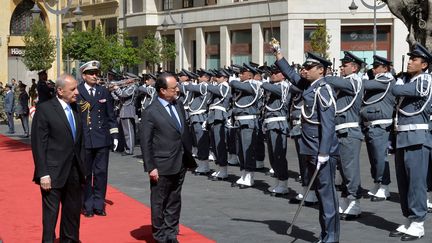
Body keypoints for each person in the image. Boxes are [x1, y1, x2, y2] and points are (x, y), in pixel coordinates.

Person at [275, 46, 340, 242]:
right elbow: (293, 76)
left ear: (321, 70)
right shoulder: (311, 87)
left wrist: (324, 152)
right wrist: (278, 55)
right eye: (305, 66)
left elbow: (328, 125)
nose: (305, 70)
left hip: (321, 150)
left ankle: (331, 238)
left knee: (327, 197)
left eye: (309, 67)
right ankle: (325, 234)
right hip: (311, 148)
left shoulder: (324, 90)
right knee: (321, 194)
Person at [140, 72, 196, 243]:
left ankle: (171, 233)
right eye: (173, 88)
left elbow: (183, 132)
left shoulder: (178, 105)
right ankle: (160, 235)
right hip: (161, 164)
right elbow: (145, 142)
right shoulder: (151, 111)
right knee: (159, 201)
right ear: (162, 90)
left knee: (174, 199)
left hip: (180, 162)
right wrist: (151, 167)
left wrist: (188, 155)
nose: (177, 90)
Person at [31, 74, 86, 243]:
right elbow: (38, 145)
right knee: (50, 217)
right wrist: (43, 174)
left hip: (74, 172)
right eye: (73, 89)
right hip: (52, 173)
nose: (77, 92)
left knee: (72, 213)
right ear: (60, 91)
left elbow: (79, 142)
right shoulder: (45, 109)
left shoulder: (76, 109)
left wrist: (83, 169)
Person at [389, 43, 432, 241]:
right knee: (404, 183)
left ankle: (418, 223)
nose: (410, 62)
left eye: (414, 59)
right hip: (403, 138)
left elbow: (396, 91)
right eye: (410, 58)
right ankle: (409, 219)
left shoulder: (425, 80)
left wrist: (396, 83)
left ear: (424, 65)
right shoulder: (409, 81)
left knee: (416, 183)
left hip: (417, 138)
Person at [76, 60, 119, 217]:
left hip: (102, 138)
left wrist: (114, 135)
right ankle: (87, 205)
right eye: (91, 73)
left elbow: (110, 115)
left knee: (101, 173)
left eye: (96, 73)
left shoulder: (103, 91)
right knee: (86, 174)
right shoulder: (77, 91)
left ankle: (99, 204)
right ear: (84, 75)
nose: (95, 76)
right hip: (84, 139)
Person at [361, 55, 396, 201]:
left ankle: (384, 186)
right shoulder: (377, 80)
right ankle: (377, 182)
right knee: (374, 158)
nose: (373, 70)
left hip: (380, 125)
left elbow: (365, 85)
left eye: (376, 67)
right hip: (371, 126)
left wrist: (361, 77)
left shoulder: (386, 80)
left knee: (380, 158)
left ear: (385, 68)